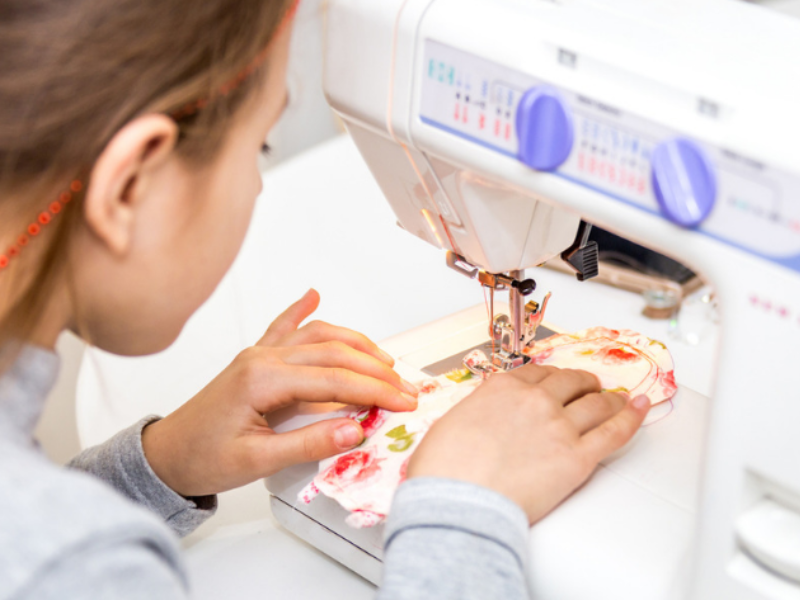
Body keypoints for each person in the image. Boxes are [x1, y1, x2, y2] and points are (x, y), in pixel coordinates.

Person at [0, 0, 650, 598]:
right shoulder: (79, 566)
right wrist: (459, 519)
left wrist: (155, 467)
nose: (258, 184)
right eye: (259, 145)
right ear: (130, 187)